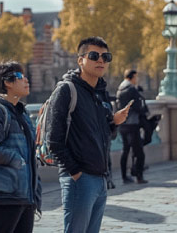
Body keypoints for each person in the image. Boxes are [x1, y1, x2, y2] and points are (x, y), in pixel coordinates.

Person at [46, 36, 131, 233]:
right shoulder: (67, 90)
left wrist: (113, 123)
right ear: (80, 60)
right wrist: (75, 173)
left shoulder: (100, 93)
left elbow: (105, 136)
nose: (100, 60)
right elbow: (54, 139)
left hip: (100, 179)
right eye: (94, 56)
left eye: (105, 56)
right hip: (80, 179)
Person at [0, 61, 41, 233]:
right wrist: (18, 160)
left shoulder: (21, 112)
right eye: (19, 76)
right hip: (5, 197)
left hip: (26, 196)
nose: (26, 80)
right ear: (7, 82)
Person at [116, 69, 148, 184]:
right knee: (139, 152)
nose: (136, 80)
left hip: (122, 124)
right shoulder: (131, 90)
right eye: (136, 78)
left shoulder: (120, 89)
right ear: (132, 78)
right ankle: (139, 176)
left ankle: (124, 176)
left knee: (125, 150)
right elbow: (138, 107)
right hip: (132, 124)